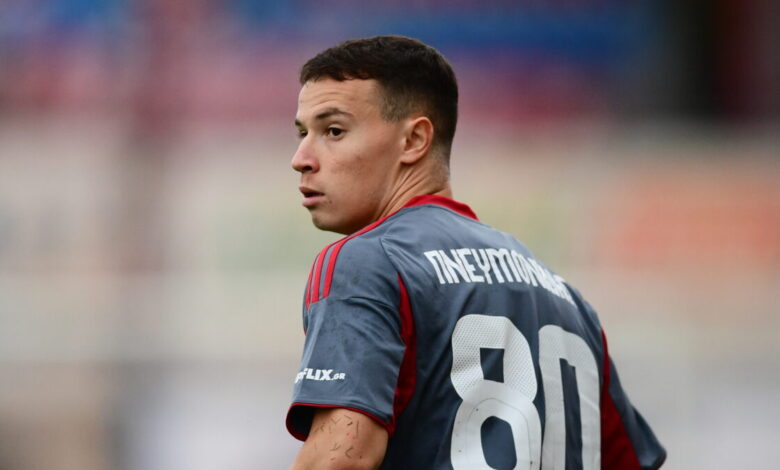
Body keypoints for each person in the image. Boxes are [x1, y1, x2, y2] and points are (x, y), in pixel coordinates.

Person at [286, 35, 665, 470]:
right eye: (303, 133)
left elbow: (340, 459)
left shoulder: (369, 261)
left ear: (414, 140)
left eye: (333, 131)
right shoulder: (566, 298)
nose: (301, 158)